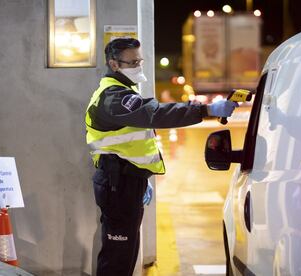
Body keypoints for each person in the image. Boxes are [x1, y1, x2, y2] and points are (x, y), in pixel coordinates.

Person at [85, 37, 237, 276]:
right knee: (117, 257)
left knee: (125, 253)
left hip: (125, 180)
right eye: (132, 62)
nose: (139, 66)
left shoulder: (123, 92)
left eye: (140, 60)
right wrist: (205, 110)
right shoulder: (114, 97)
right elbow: (155, 113)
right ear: (114, 65)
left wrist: (140, 178)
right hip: (118, 184)